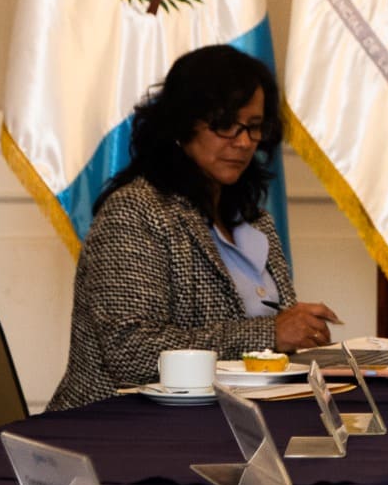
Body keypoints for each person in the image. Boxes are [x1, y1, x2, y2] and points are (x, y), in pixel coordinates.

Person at [48, 45, 340, 410]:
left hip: (231, 420)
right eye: (225, 126)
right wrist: (270, 333)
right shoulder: (134, 211)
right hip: (120, 425)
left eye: (253, 127)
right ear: (182, 125)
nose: (243, 142)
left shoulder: (255, 220)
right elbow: (131, 353)